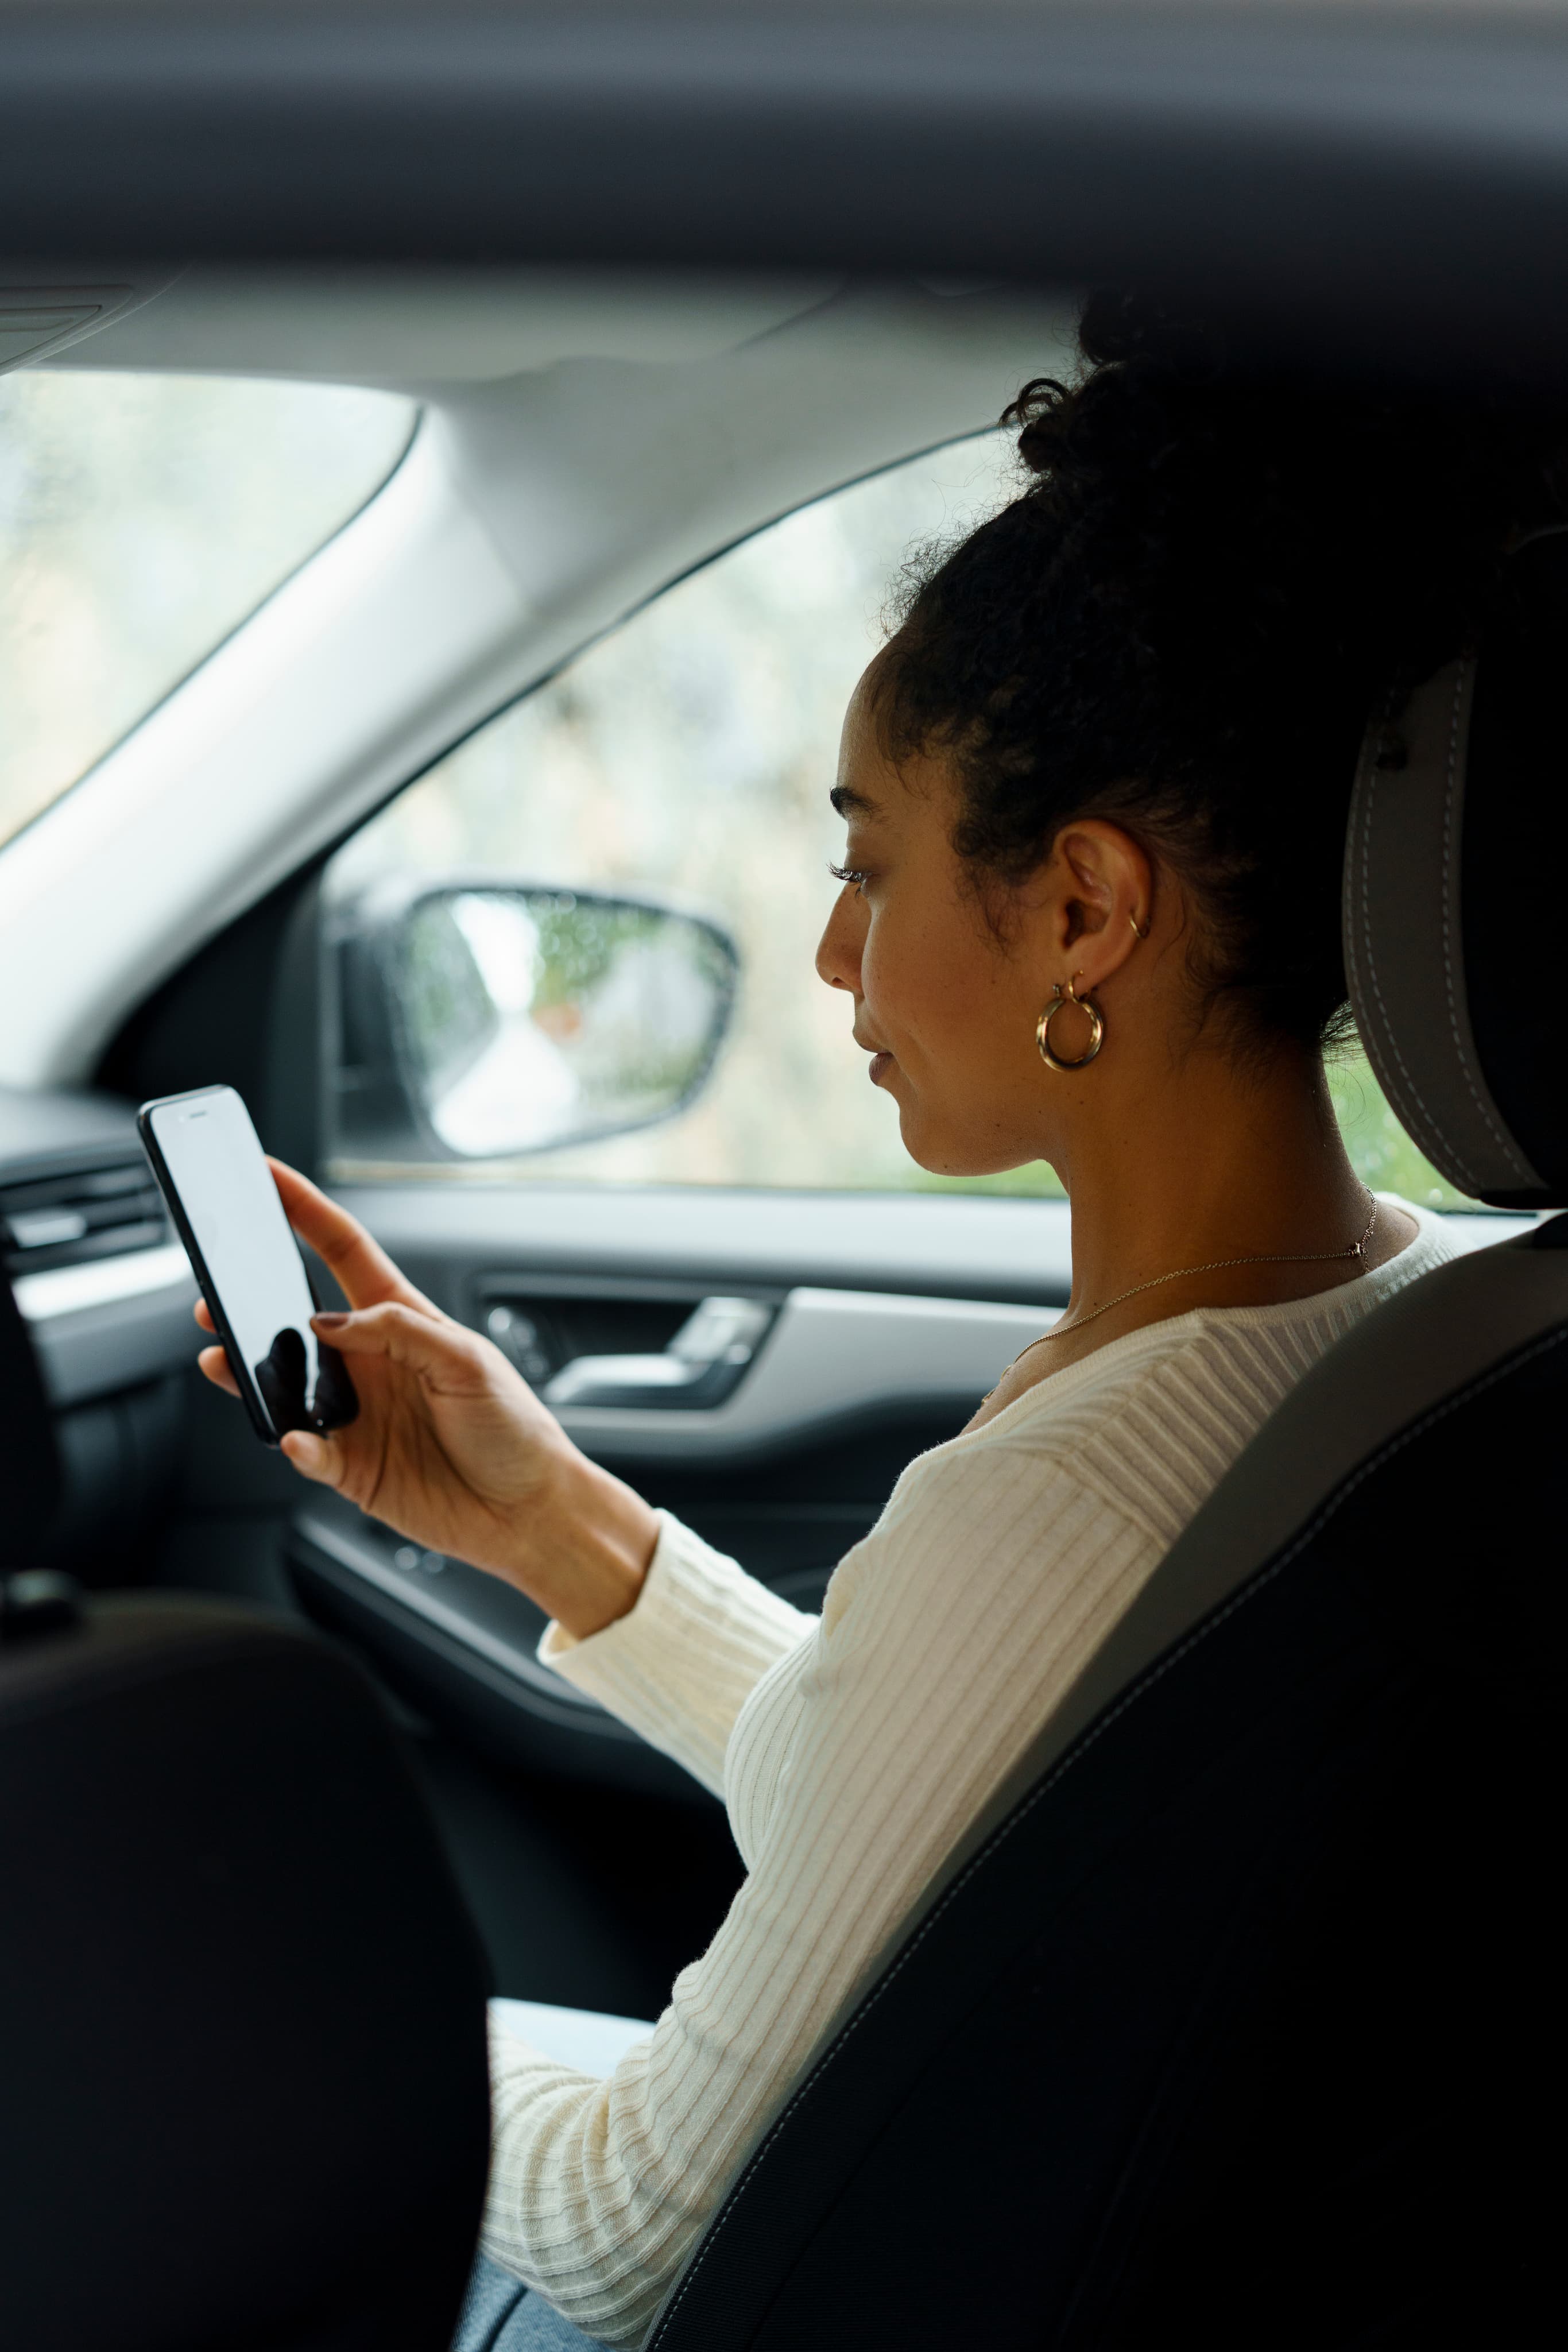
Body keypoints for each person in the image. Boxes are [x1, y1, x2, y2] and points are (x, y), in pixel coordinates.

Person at [197, 296, 1564, 2350]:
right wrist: (559, 1527)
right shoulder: (1427, 1335)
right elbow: (959, 1834)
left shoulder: (1077, 1491)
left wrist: (281, 2008)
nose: (836, 956)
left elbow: (631, 2231)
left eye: (871, 864)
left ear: (1083, 909)